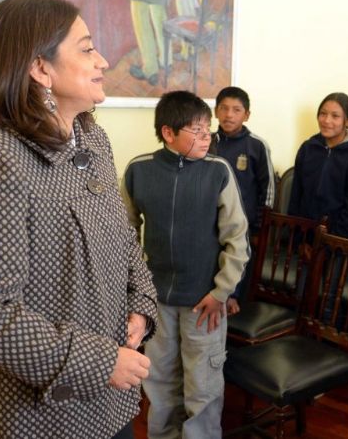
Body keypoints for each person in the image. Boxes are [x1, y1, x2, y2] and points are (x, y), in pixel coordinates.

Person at [0, 0, 158, 439]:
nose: (102, 59)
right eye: (86, 48)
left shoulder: (93, 142)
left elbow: (124, 239)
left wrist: (142, 306)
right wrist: (99, 362)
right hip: (28, 419)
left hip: (105, 406)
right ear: (41, 68)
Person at [121, 90, 250, 438]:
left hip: (204, 301)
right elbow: (124, 236)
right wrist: (137, 292)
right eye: (197, 130)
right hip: (156, 301)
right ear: (168, 133)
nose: (207, 136)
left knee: (203, 387)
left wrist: (222, 291)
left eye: (208, 128)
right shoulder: (139, 170)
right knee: (160, 382)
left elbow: (237, 239)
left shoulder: (218, 171)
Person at [212, 86, 275, 312]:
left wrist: (260, 227)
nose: (229, 115)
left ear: (246, 115)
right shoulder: (207, 142)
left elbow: (267, 189)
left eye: (236, 110)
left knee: (239, 262)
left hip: (245, 223)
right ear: (216, 111)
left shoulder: (257, 145)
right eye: (224, 108)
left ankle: (234, 301)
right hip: (210, 221)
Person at [288, 92, 348, 239]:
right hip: (303, 237)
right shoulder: (307, 148)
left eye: (335, 116)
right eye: (323, 114)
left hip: (337, 242)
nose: (326, 120)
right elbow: (296, 196)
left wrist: (330, 244)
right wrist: (297, 237)